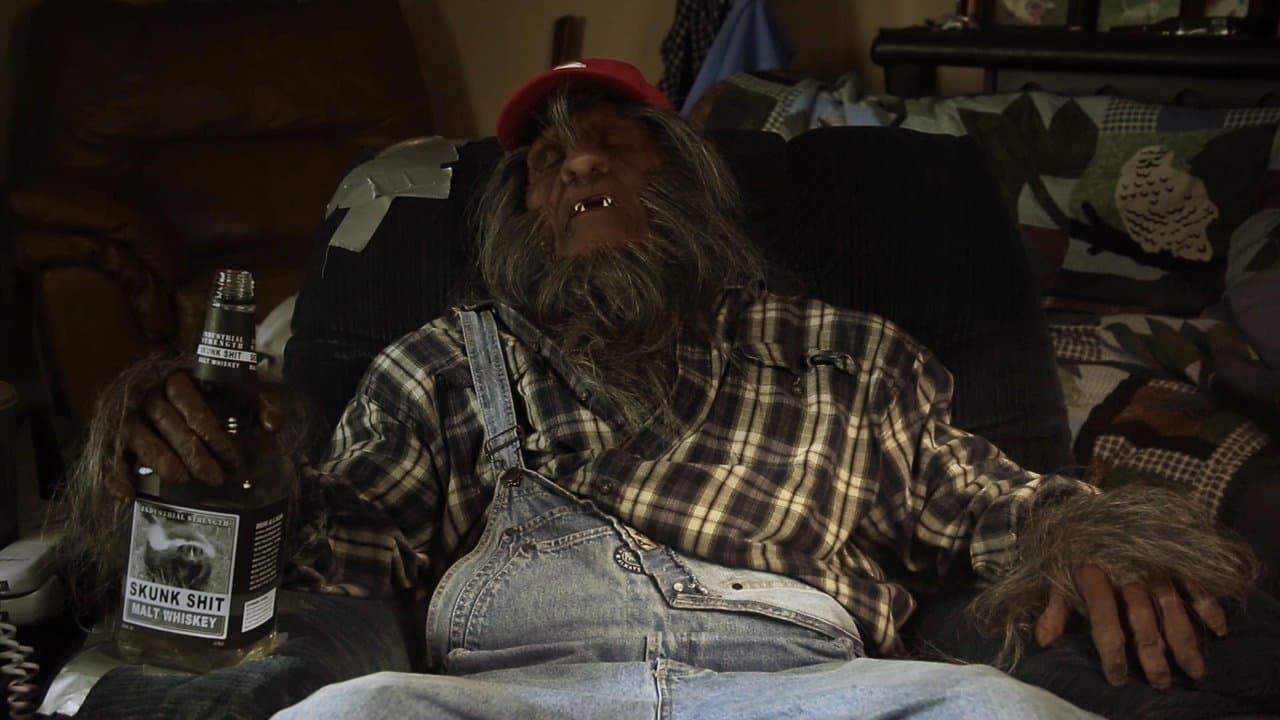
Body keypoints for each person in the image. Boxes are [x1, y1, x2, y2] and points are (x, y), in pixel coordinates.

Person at [74, 59, 1265, 719]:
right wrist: (221, 468)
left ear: (687, 176)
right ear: (520, 217)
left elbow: (987, 501)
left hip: (813, 687)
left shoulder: (847, 351)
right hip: (512, 693)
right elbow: (345, 545)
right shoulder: (441, 358)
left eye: (614, 137)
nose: (579, 158)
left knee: (1016, 715)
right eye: (545, 157)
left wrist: (1095, 537)